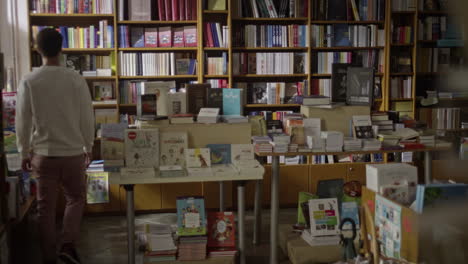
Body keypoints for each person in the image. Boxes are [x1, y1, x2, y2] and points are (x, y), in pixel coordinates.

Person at [16, 28, 94, 264]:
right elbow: (86, 117)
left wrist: (23, 151)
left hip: (43, 154)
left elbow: (23, 120)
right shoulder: (75, 79)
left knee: (45, 209)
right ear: (61, 49)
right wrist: (88, 146)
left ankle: (48, 258)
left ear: (37, 49)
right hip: (72, 154)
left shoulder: (29, 80)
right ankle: (67, 246)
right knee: (76, 198)